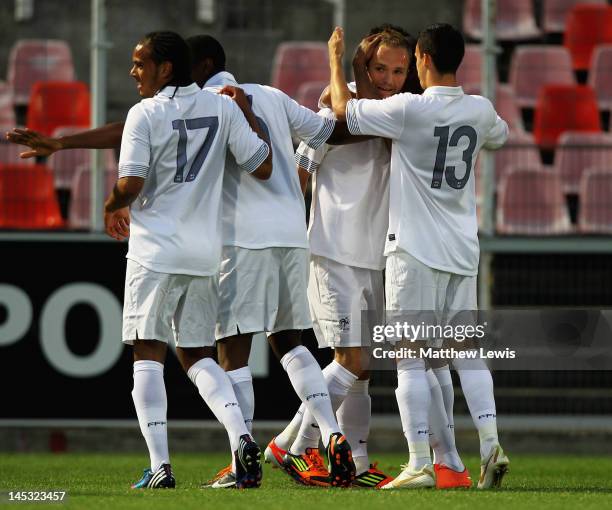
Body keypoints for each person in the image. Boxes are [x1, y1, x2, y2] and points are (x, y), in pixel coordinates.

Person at [8, 33, 358, 490]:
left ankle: (212, 458)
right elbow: (302, 144)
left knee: (192, 352)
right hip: (263, 240)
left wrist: (86, 167)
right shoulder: (256, 98)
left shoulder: (186, 104)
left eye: (144, 64)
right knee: (265, 345)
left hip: (206, 244)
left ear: (191, 66)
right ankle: (318, 433)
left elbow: (131, 140)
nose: (136, 72)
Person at [327, 23, 510, 489]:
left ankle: (419, 463)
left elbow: (345, 112)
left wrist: (339, 62)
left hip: (414, 249)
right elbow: (501, 136)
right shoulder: (480, 109)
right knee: (466, 354)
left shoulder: (408, 109)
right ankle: (490, 447)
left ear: (423, 60)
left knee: (410, 357)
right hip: (462, 250)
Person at [90, 31, 271, 489]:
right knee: (196, 355)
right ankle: (242, 435)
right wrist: (247, 112)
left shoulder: (145, 113)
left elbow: (131, 183)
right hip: (205, 253)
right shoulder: (224, 107)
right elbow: (262, 165)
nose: (133, 71)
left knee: (147, 352)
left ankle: (159, 467)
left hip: (155, 250)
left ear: (166, 68)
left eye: (140, 63)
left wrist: (112, 204)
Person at [187, 34, 357, 489]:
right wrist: (341, 103)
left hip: (241, 240)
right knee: (291, 343)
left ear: (202, 64)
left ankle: (241, 463)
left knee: (232, 352)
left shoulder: (205, 104)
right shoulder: (274, 95)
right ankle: (332, 433)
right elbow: (327, 132)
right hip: (290, 235)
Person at [267, 25, 418, 489]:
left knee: (364, 364)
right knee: (349, 357)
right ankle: (298, 447)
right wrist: (288, 223)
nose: (390, 78)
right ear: (361, 65)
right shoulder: (333, 103)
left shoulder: (402, 110)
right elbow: (307, 161)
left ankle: (355, 455)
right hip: (333, 248)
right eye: (379, 67)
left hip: (378, 251)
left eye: (399, 69)